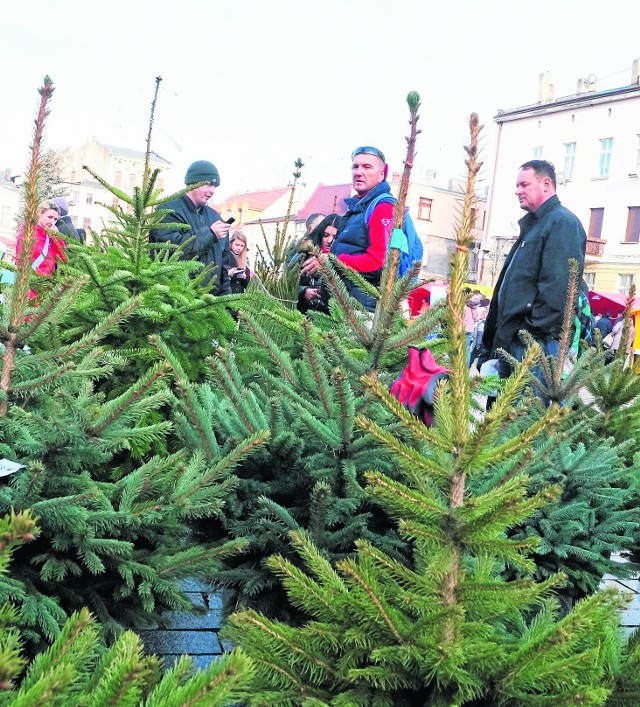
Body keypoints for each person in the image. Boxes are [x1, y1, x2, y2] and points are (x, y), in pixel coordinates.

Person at [482, 160, 587, 401]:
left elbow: (558, 291)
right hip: (513, 344)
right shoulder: (533, 226)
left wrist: (527, 332)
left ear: (546, 184)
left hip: (534, 346)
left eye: (524, 184)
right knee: (501, 424)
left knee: (524, 422)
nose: (517, 190)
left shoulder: (562, 223)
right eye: (517, 186)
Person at [301, 146, 394, 312]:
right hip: (343, 308)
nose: (358, 172)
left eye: (367, 167)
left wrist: (330, 261)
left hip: (362, 313)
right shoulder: (356, 209)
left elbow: (379, 263)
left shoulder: (382, 207)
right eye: (355, 166)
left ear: (382, 174)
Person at [151, 160, 231, 296]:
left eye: (215, 186)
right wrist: (210, 234)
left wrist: (227, 302)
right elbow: (172, 251)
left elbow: (224, 265)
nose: (212, 190)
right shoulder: (168, 210)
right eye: (208, 184)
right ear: (193, 184)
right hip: (177, 300)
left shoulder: (215, 217)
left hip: (210, 302)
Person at [295, 214, 339, 314]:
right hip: (302, 314)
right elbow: (287, 282)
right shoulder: (304, 254)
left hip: (329, 318)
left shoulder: (342, 262)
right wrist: (303, 291)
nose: (329, 241)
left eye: (335, 237)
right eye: (326, 235)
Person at [15, 199, 67, 276]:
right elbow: (22, 260)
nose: (52, 222)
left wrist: (57, 238)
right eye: (50, 217)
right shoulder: (28, 231)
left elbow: (64, 259)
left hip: (47, 284)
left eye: (55, 219)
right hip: (30, 282)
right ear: (39, 214)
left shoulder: (50, 234)